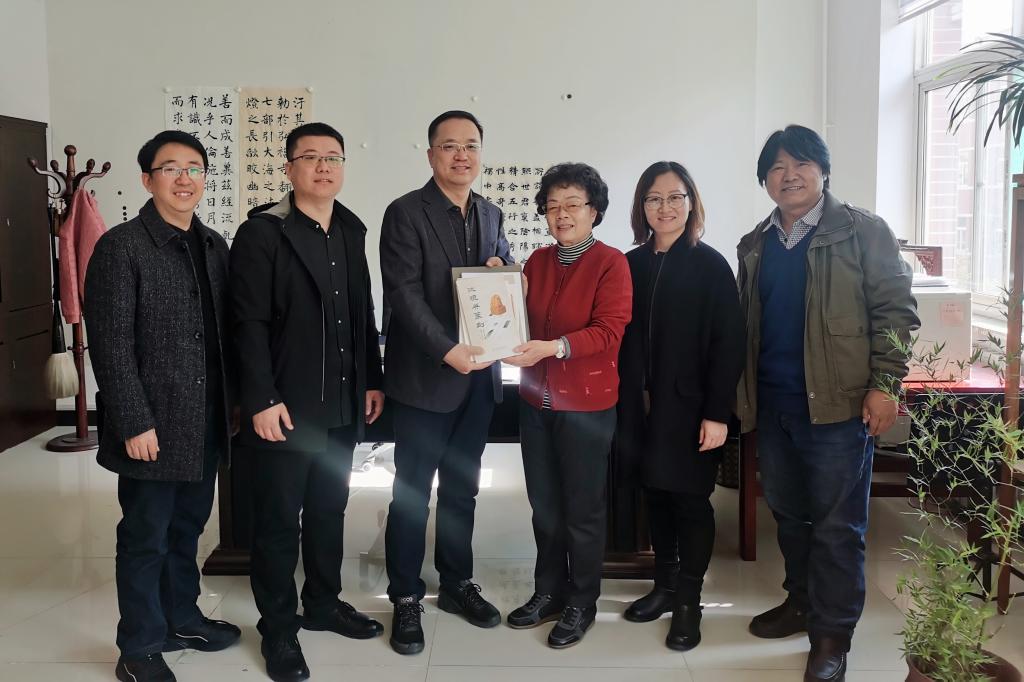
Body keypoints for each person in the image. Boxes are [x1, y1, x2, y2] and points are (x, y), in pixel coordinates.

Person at [737, 125, 919, 681]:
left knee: (839, 526)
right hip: (776, 404)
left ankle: (832, 637)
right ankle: (801, 603)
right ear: (765, 180)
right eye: (776, 167)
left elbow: (896, 312)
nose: (788, 176)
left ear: (823, 171)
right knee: (790, 516)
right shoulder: (755, 243)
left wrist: (886, 384)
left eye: (801, 164)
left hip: (839, 407)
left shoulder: (862, 231)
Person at [230, 122, 385, 682]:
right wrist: (261, 398)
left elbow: (363, 313)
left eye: (333, 157)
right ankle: (278, 628)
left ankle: (322, 602)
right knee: (277, 521)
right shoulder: (263, 233)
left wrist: (372, 379)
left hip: (341, 401)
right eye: (311, 157)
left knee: (328, 508)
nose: (324, 167)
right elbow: (246, 323)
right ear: (289, 168)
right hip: (286, 407)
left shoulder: (350, 228)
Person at [85, 130, 239, 682]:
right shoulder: (121, 247)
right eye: (170, 168)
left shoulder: (214, 245)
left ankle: (182, 618)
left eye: (194, 168)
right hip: (151, 423)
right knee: (145, 537)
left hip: (205, 420)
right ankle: (139, 646)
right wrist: (132, 421)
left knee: (188, 528)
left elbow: (224, 337)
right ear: (148, 180)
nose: (184, 178)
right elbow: (110, 344)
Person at [379, 110, 512, 655]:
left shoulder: (491, 212)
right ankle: (406, 595)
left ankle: (457, 583)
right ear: (431, 153)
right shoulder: (405, 212)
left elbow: (505, 278)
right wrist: (447, 349)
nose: (462, 155)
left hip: (479, 380)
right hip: (425, 378)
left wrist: (504, 272)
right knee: (412, 492)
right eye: (450, 145)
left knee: (463, 488)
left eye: (471, 145)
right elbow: (404, 294)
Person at [616, 161, 745, 651]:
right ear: (641, 207)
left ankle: (689, 599)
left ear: (691, 203)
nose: (664, 207)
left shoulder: (710, 265)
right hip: (639, 409)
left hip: (691, 410)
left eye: (675, 197)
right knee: (655, 495)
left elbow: (729, 344)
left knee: (691, 502)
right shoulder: (630, 264)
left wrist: (717, 413)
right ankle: (664, 586)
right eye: (654, 198)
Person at [503, 162, 632, 648]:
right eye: (553, 205)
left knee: (582, 510)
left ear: (594, 211)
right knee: (545, 507)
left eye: (572, 204)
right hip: (535, 402)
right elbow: (512, 316)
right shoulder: (536, 262)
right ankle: (549, 592)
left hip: (586, 407)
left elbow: (609, 331)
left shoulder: (610, 263)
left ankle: (582, 601)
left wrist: (554, 347)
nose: (561, 214)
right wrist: (498, 285)